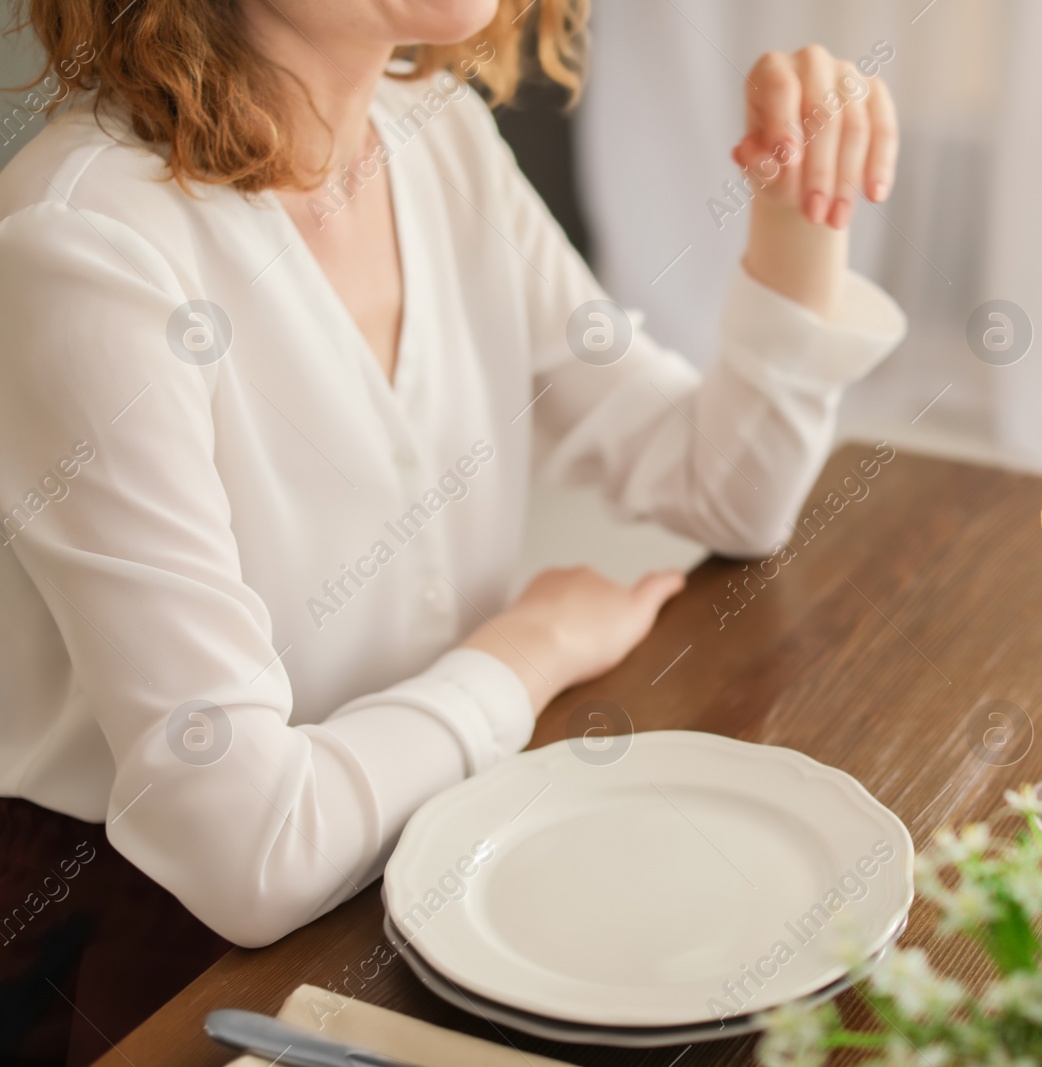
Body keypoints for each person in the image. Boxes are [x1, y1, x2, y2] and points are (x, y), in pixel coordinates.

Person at [0, 0, 905, 1060]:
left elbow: (721, 490)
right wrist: (526, 652)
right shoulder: (82, 244)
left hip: (440, 845)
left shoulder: (438, 137)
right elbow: (249, 850)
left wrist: (802, 208)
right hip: (151, 951)